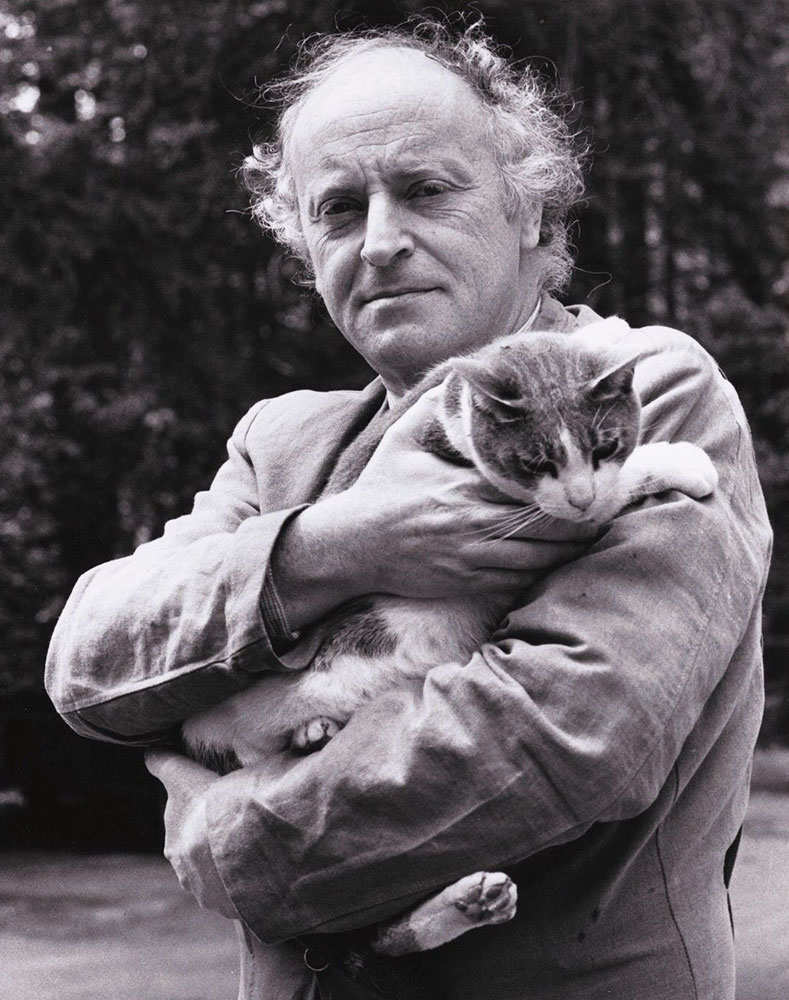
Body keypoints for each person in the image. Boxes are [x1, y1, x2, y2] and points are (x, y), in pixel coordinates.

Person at [45, 19, 772, 1000]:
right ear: (304, 247)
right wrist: (330, 549)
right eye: (339, 208)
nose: (381, 242)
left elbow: (558, 745)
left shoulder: (646, 389)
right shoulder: (280, 439)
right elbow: (89, 668)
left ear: (529, 209)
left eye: (425, 189)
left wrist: (230, 840)